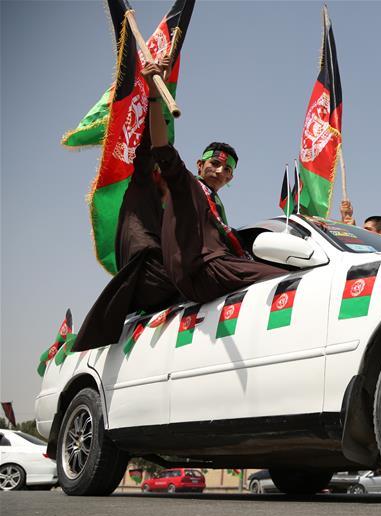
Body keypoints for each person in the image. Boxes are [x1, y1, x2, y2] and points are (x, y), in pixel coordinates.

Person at [144, 60, 284, 304]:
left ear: (231, 177)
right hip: (204, 269)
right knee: (287, 279)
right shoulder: (185, 185)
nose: (220, 171)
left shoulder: (215, 204)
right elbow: (160, 146)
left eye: (227, 169)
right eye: (214, 164)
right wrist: (154, 94)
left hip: (221, 267)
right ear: (200, 165)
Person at [72, 129, 180, 351]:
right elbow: (144, 153)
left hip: (152, 279)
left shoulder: (163, 211)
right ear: (158, 174)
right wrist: (152, 102)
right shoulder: (141, 184)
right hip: (148, 273)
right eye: (170, 179)